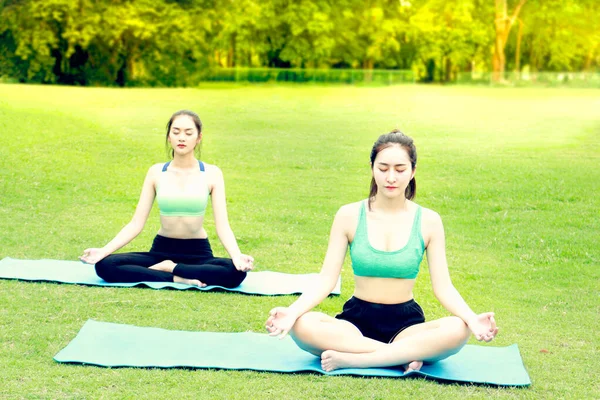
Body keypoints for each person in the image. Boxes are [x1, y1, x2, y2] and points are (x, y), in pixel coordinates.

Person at [265, 130, 498, 372]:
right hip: (355, 323)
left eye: (400, 169)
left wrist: (472, 318)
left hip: (406, 325)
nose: (391, 177)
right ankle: (400, 357)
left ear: (413, 171)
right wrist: (292, 313)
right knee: (303, 325)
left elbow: (443, 287)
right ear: (372, 168)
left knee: (458, 329)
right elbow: (326, 279)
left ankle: (358, 358)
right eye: (383, 168)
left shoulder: (429, 220)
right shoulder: (349, 215)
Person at [80, 110, 253, 288]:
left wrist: (236, 255)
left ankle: (171, 268)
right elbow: (136, 224)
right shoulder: (156, 172)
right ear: (169, 137)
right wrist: (103, 251)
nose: (181, 138)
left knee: (235, 273)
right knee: (105, 266)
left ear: (198, 137)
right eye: (176, 132)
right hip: (161, 250)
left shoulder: (212, 173)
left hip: (198, 252)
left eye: (188, 133)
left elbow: (222, 226)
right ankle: (175, 276)